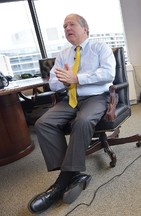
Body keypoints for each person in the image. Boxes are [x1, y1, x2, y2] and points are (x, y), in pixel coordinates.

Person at [28, 13, 116, 214]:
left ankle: (62, 181)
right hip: (70, 98)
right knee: (43, 123)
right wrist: (66, 82)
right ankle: (73, 175)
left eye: (72, 24)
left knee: (83, 121)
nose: (67, 28)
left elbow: (108, 73)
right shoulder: (63, 54)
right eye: (64, 26)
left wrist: (78, 78)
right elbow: (52, 82)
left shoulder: (100, 48)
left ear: (85, 28)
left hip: (96, 97)